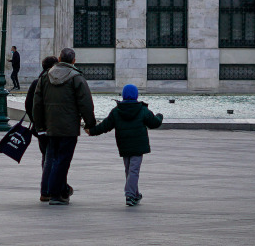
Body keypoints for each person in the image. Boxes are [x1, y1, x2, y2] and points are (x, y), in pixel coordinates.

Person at [31, 47, 96, 205]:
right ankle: (56, 194)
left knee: (52, 158)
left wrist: (40, 126)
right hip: (69, 128)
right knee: (63, 160)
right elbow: (85, 103)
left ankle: (53, 191)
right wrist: (90, 123)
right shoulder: (76, 78)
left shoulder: (45, 77)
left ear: (59, 59)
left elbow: (37, 104)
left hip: (50, 127)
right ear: (73, 61)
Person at [86, 84, 163, 206]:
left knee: (129, 170)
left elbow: (105, 126)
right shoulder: (142, 110)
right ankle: (130, 195)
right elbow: (154, 123)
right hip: (138, 146)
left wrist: (92, 131)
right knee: (134, 170)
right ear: (136, 95)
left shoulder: (117, 111)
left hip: (124, 145)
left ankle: (135, 194)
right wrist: (159, 116)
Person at [26, 55, 70, 203]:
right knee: (54, 158)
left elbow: (29, 105)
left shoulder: (36, 82)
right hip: (52, 127)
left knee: (47, 157)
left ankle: (57, 186)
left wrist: (36, 123)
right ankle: (49, 190)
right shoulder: (51, 82)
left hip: (40, 128)